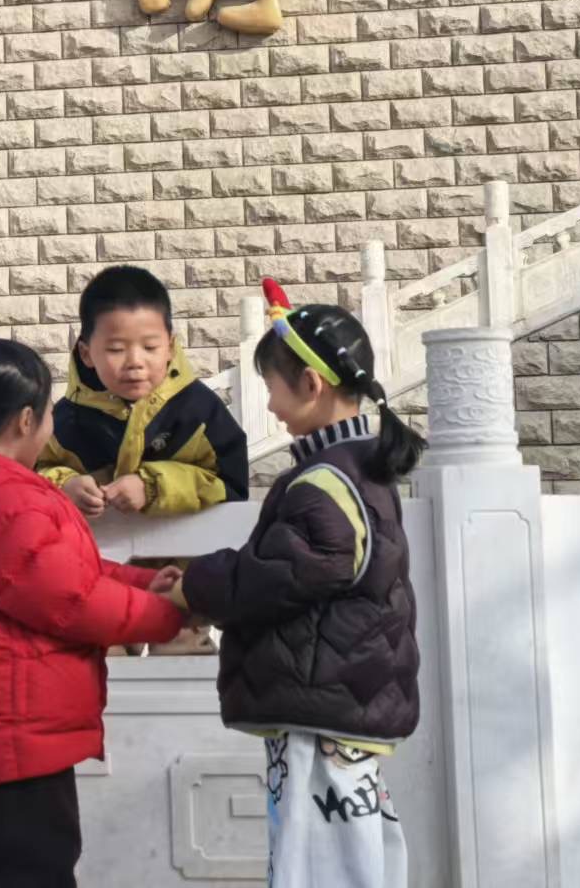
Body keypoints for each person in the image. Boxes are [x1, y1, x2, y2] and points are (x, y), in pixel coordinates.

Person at [0, 335, 185, 888]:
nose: (52, 425)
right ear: (26, 420)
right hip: (16, 732)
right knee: (32, 866)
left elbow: (68, 572)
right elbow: (74, 601)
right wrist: (167, 614)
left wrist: (148, 583)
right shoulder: (9, 502)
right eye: (50, 413)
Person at [166, 280, 423, 888]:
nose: (271, 405)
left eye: (272, 387)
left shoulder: (325, 481)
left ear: (311, 384)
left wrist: (194, 586)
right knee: (352, 855)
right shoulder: (360, 468)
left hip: (321, 711)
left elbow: (275, 574)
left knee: (315, 862)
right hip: (343, 702)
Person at [39, 265, 248, 518]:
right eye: (116, 349)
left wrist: (153, 486)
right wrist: (64, 486)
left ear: (170, 347)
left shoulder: (198, 411)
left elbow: (232, 486)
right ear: (86, 354)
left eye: (150, 347)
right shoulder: (64, 420)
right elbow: (28, 473)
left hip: (184, 543)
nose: (135, 362)